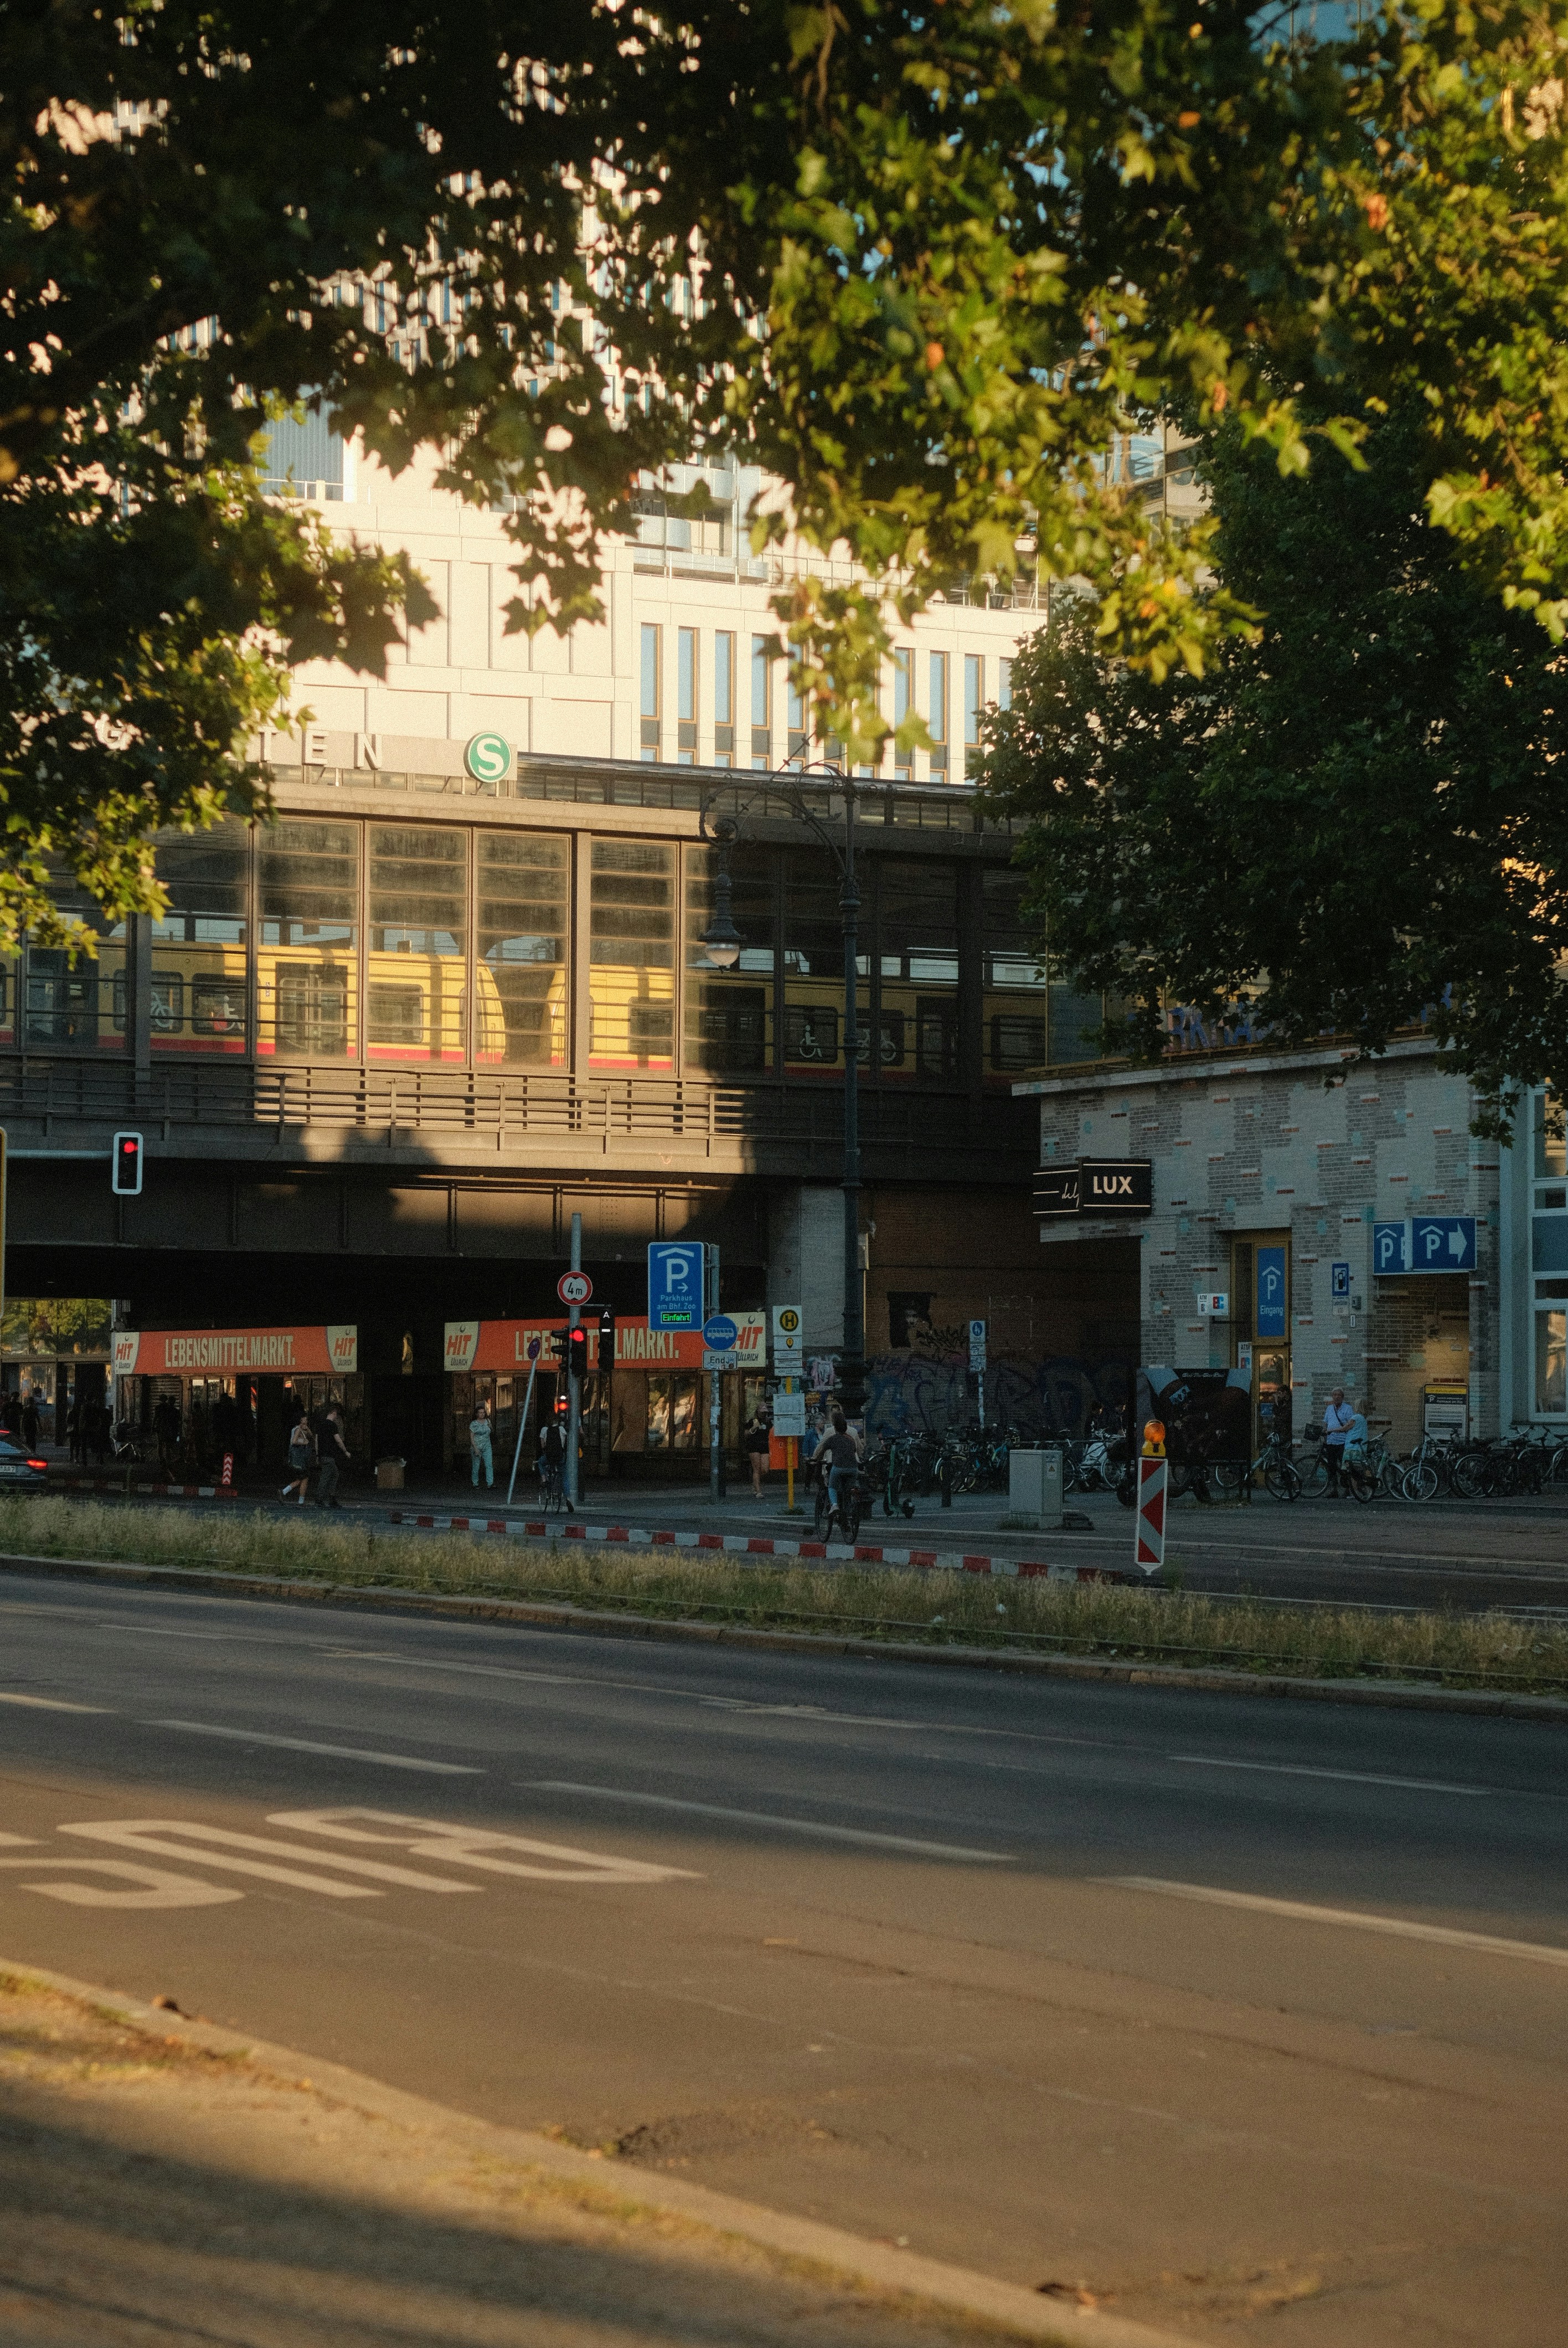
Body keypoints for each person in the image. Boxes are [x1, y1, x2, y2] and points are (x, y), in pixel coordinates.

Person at [816, 1409, 862, 1523]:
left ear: (834, 1424)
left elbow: (821, 1448)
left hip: (835, 1464)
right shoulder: (853, 1433)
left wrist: (814, 1458)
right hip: (853, 1466)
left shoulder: (830, 1433)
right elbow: (859, 1449)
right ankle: (849, 1507)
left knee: (831, 1485)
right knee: (849, 1488)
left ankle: (834, 1505)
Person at [314, 1403, 350, 1508]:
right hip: (329, 1455)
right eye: (336, 1416)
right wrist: (346, 1452)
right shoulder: (332, 1425)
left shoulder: (320, 1425)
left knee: (334, 1474)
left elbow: (317, 1440)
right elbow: (338, 1440)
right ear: (334, 1414)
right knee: (326, 1477)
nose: (336, 1418)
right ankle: (321, 1499)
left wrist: (317, 1455)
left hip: (322, 1455)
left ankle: (330, 1498)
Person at [1322, 1387, 1355, 1495]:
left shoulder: (1348, 1408)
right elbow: (1326, 1423)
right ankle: (1334, 1489)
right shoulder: (1329, 1409)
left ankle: (1348, 1489)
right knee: (1331, 1467)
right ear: (1332, 1397)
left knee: (1345, 1466)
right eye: (1335, 1395)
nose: (1337, 1397)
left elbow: (1350, 1424)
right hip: (1331, 1442)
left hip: (1343, 1443)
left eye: (1339, 1395)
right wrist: (1325, 1437)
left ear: (1342, 1397)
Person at [280, 1410, 314, 1506]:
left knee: (301, 1479)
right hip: (300, 1459)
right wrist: (304, 1443)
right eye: (305, 1418)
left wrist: (307, 1429)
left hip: (298, 1459)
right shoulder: (298, 1430)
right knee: (305, 1479)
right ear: (300, 1420)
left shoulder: (300, 1429)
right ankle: (300, 1501)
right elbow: (294, 1441)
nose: (307, 1420)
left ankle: (284, 1492)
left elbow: (311, 1436)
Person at [538, 1410, 567, 1505]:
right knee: (564, 1474)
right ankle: (567, 1497)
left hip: (549, 1457)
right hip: (560, 1456)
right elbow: (564, 1444)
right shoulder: (562, 1429)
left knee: (541, 1462)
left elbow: (543, 1446)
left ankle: (544, 1480)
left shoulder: (545, 1430)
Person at [744, 1407, 772, 1499]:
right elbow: (746, 1434)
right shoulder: (752, 1421)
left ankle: (755, 1483)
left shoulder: (768, 1422)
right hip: (754, 1446)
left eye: (765, 1412)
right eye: (763, 1412)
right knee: (757, 1468)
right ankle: (758, 1491)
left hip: (765, 1446)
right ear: (758, 1412)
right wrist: (753, 1428)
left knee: (765, 1469)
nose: (764, 1414)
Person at [152, 1391, 180, 1477]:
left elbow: (156, 1418)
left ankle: (161, 1458)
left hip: (161, 1428)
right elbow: (177, 1421)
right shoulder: (171, 1409)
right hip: (169, 1429)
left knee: (160, 1443)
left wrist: (154, 1427)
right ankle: (168, 1458)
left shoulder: (159, 1408)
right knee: (168, 1444)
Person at [469, 1398, 494, 1490]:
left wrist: (491, 1427)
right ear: (477, 1414)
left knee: (489, 1464)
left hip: (487, 1446)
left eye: (483, 1413)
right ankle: (475, 1483)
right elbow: (472, 1437)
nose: (482, 1414)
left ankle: (490, 1483)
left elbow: (491, 1431)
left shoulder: (488, 1421)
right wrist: (475, 1448)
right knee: (476, 1465)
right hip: (477, 1446)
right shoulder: (474, 1424)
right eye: (480, 1413)